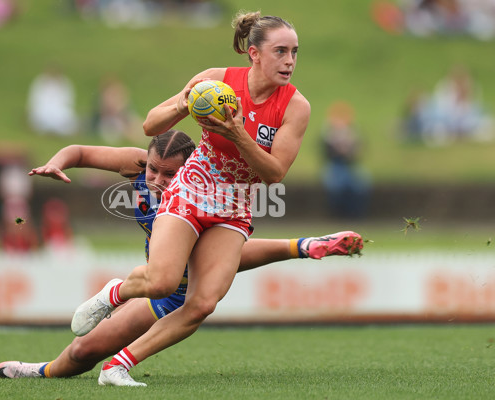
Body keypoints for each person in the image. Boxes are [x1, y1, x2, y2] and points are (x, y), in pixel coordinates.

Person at [68, 12, 357, 387]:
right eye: (280, 51)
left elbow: (273, 174)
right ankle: (114, 293)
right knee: (162, 283)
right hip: (192, 188)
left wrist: (238, 133)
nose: (290, 61)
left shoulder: (295, 107)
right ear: (254, 53)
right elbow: (150, 125)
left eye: (295, 52)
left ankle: (116, 367)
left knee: (202, 303)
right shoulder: (217, 81)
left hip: (234, 203)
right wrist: (183, 104)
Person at [0, 130, 363, 379]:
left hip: (176, 295)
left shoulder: (206, 197)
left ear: (192, 169)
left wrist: (299, 247)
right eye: (153, 169)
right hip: (156, 281)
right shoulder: (139, 165)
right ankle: (39, 372)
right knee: (81, 352)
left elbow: (235, 256)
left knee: (110, 333)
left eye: (169, 174)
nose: (156, 179)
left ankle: (109, 356)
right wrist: (57, 161)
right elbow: (81, 152)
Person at [320, 101, 371, 219]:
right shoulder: (328, 135)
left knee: (359, 185)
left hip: (350, 166)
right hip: (335, 165)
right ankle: (338, 215)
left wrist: (349, 150)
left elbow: (359, 152)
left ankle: (356, 214)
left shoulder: (353, 134)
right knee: (337, 187)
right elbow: (326, 153)